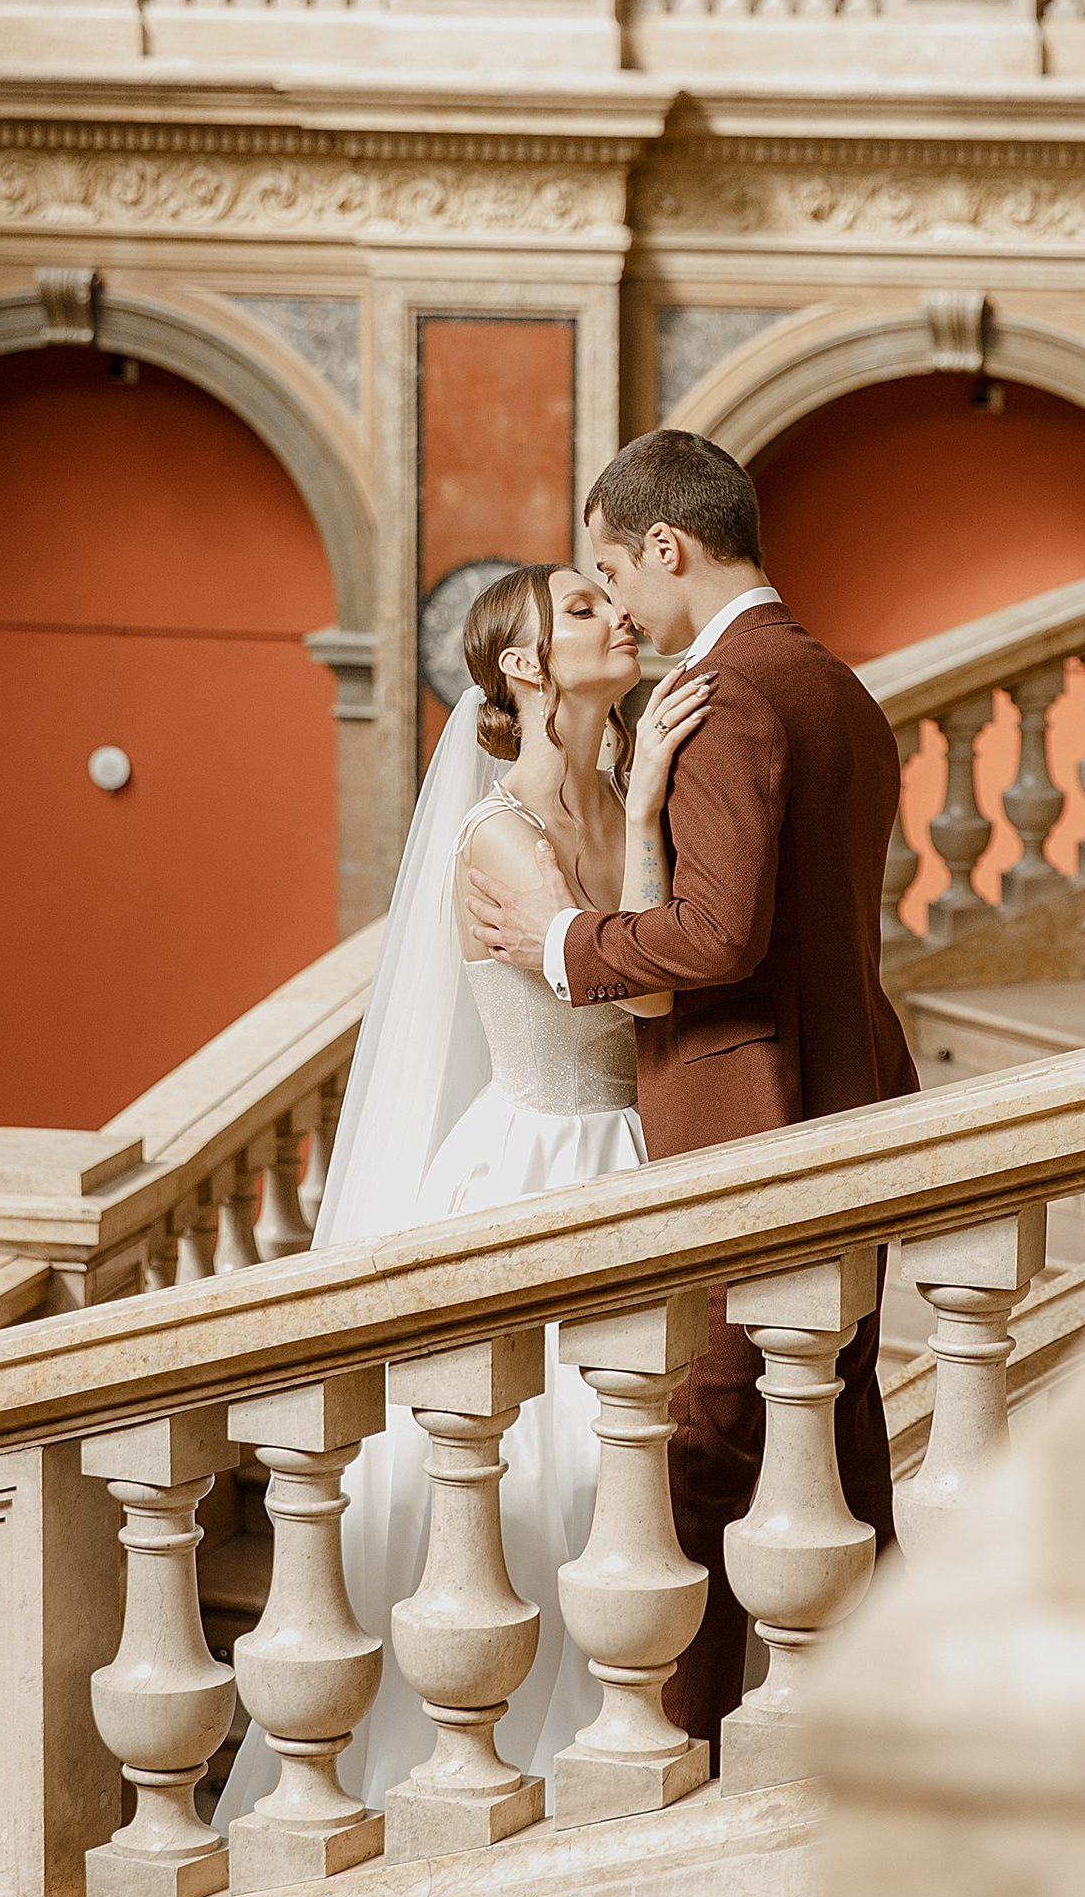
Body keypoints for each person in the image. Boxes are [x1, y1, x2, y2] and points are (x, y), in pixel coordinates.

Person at [222, 563, 711, 1823]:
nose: (617, 617)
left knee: (634, 1465)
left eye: (613, 599)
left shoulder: (613, 797)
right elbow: (637, 987)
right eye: (584, 609)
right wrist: (639, 832)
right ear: (528, 666)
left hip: (637, 1156)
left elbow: (641, 978)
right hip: (536, 1162)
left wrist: (644, 800)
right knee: (536, 1468)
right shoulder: (494, 832)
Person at [464, 429, 916, 1748]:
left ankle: (692, 1736)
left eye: (613, 570)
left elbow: (715, 943)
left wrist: (559, 943)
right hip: (845, 1106)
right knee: (830, 1417)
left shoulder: (731, 697)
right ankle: (853, 1703)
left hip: (748, 1118)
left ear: (667, 547)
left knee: (717, 1446)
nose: (617, 604)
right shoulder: (837, 687)